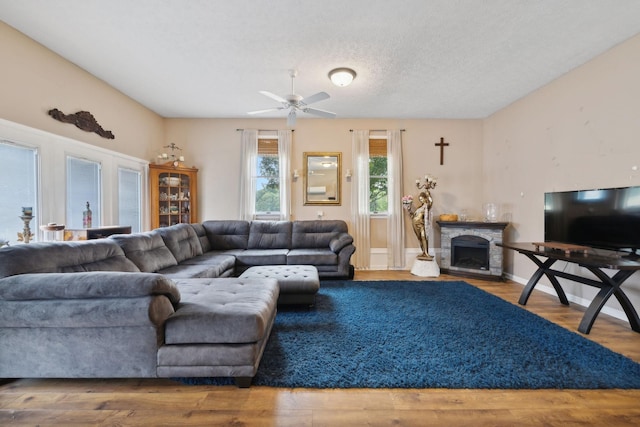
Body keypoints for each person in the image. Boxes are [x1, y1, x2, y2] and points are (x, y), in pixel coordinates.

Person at [405, 191, 433, 260]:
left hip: (421, 224)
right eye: (420, 199)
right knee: (419, 239)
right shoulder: (419, 208)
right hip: (414, 224)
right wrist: (409, 211)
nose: (421, 201)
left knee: (424, 237)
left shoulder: (426, 207)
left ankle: (426, 253)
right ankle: (423, 252)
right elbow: (412, 216)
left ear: (425, 198)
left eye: (422, 199)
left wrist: (428, 195)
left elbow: (431, 202)